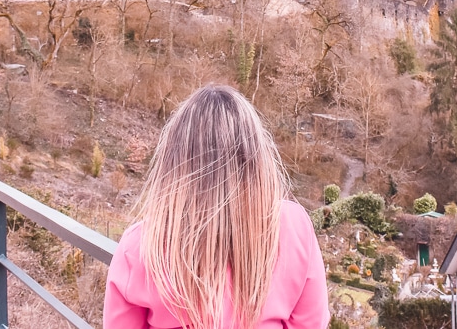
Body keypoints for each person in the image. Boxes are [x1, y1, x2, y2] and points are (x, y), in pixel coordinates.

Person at [104, 84, 329, 329]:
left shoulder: (142, 244)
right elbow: (312, 323)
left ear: (174, 161)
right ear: (256, 157)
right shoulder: (293, 226)